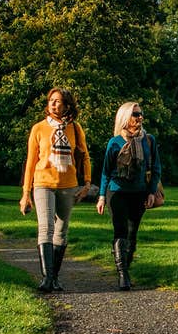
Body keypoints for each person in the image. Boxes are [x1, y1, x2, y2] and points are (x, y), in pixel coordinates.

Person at [19, 88, 91, 293]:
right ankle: (47, 279)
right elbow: (31, 162)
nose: (54, 104)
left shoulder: (75, 129)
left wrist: (86, 183)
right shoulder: (38, 129)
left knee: (61, 230)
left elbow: (85, 157)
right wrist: (26, 193)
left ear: (67, 106)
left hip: (68, 185)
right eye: (51, 101)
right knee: (46, 228)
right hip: (43, 183)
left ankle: (56, 277)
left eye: (58, 102)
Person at [97, 101, 161, 291]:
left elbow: (156, 167)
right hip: (116, 192)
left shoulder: (148, 140)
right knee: (121, 231)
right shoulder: (114, 142)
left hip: (139, 192)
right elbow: (105, 172)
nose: (139, 117)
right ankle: (122, 275)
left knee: (133, 233)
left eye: (140, 114)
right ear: (125, 118)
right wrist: (101, 196)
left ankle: (127, 266)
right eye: (135, 114)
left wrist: (151, 192)